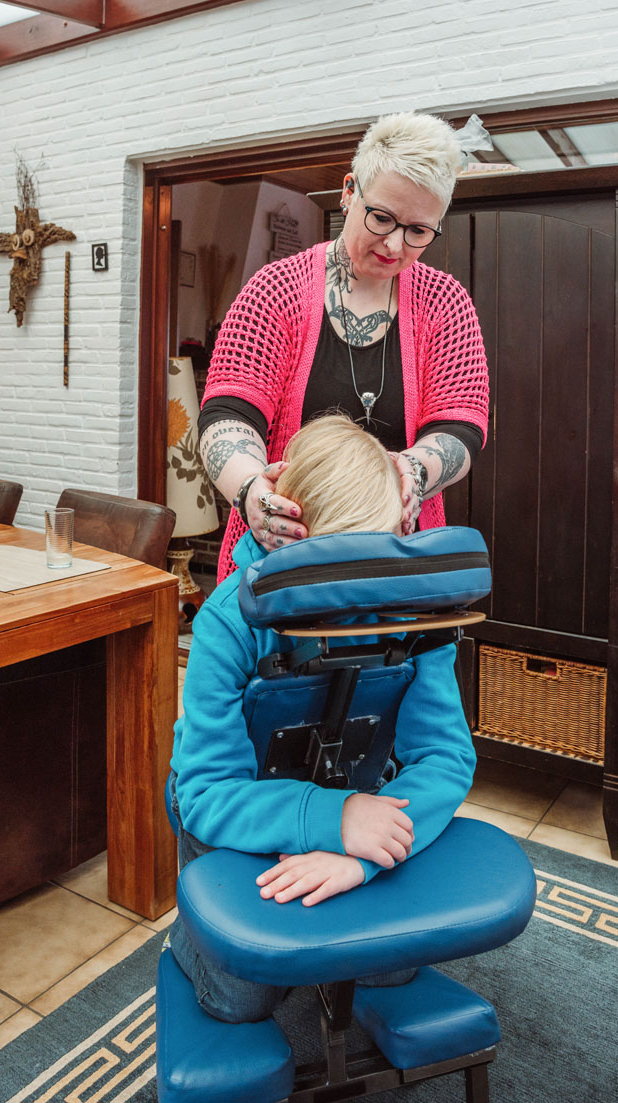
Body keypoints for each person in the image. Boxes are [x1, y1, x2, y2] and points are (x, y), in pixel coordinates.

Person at [168, 415, 477, 1023]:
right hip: (233, 810)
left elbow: (444, 758)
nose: (370, 596)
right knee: (245, 998)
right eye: (347, 569)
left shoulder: (416, 612)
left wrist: (358, 857)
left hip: (351, 799)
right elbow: (205, 794)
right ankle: (189, 934)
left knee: (391, 967)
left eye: (385, 552)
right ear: (295, 542)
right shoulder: (227, 624)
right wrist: (331, 819)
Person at [198, 110, 489, 581]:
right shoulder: (276, 290)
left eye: (417, 231)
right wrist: (253, 490)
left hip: (397, 572)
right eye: (382, 218)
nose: (395, 245)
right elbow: (228, 414)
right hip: (279, 570)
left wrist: (415, 472)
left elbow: (461, 428)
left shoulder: (445, 304)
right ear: (349, 192)